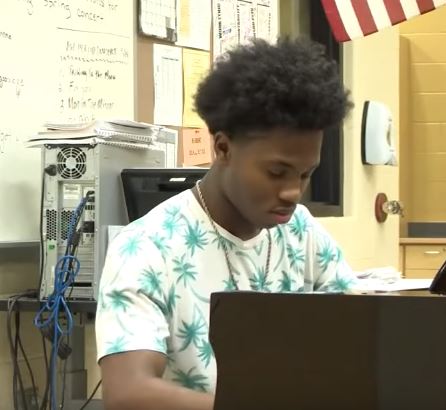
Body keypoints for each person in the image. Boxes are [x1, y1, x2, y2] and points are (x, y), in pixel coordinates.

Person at [95, 37, 357, 410]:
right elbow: (128, 394)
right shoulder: (148, 248)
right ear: (222, 148)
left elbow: (358, 344)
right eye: (277, 172)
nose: (292, 192)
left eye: (305, 174)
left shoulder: (302, 231)